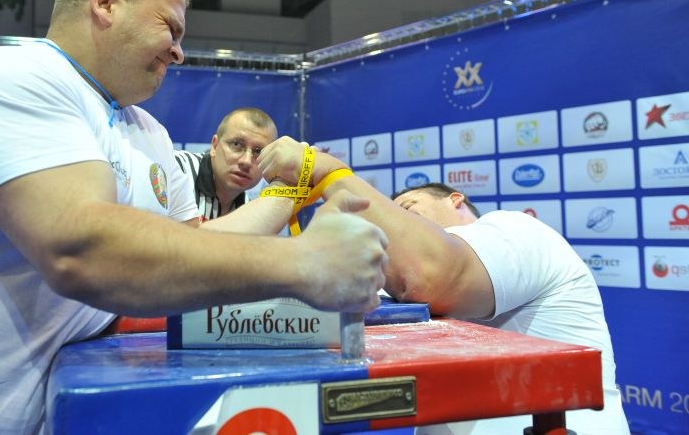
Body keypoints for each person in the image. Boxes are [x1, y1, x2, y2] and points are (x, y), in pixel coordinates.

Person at [0, 0, 389, 433]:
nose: (179, 52)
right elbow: (83, 248)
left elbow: (194, 252)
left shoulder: (149, 133)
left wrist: (298, 187)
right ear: (105, 4)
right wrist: (308, 263)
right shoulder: (11, 77)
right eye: (170, 27)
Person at [258, 137, 630, 434]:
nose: (395, 222)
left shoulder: (515, 230)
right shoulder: (394, 283)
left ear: (456, 200)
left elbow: (431, 274)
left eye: (408, 208)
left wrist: (326, 171)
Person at [175, 107, 277, 221]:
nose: (246, 161)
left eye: (258, 151)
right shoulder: (176, 169)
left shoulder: (247, 213)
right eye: (236, 144)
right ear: (214, 146)